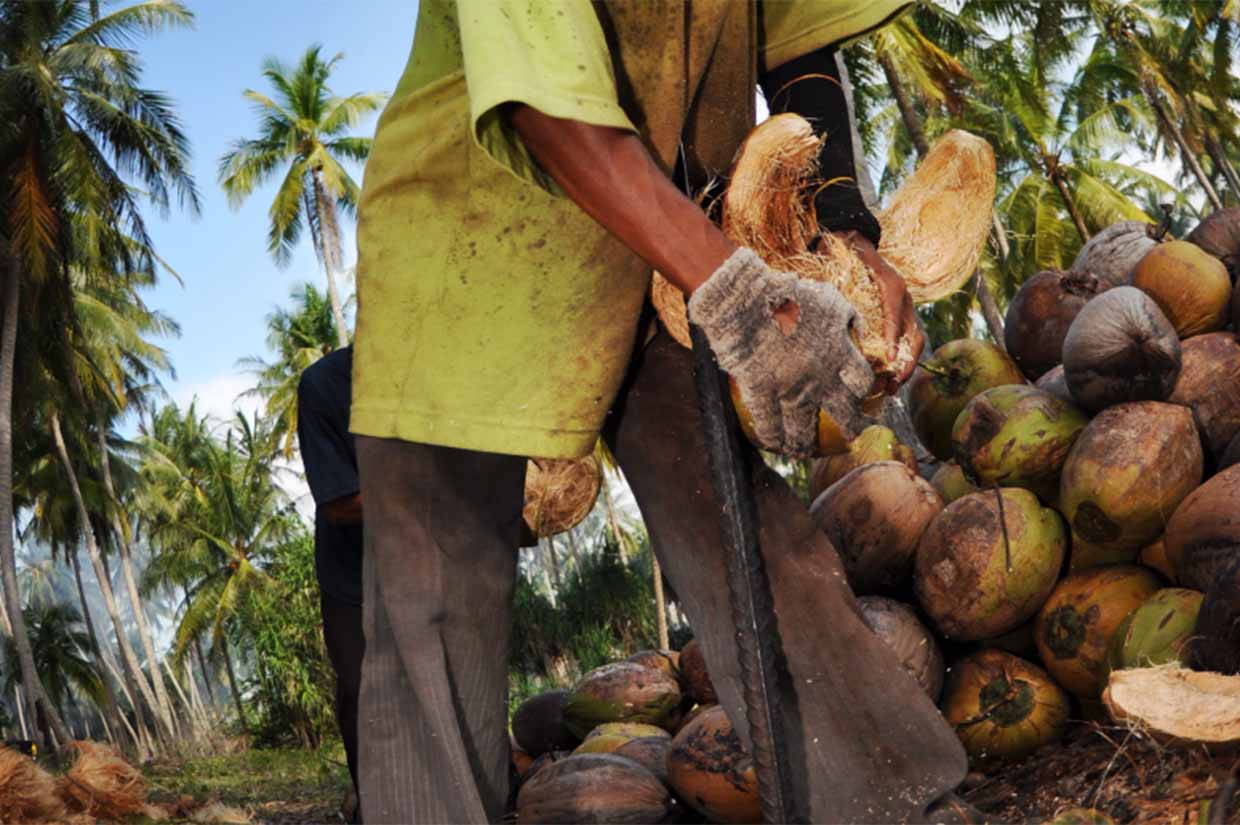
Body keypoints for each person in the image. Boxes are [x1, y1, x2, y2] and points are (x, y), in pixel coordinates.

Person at [349, 2, 976, 822]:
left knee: (747, 535)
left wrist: (846, 229)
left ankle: (898, 801)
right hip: (472, 247)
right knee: (433, 598)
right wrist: (740, 295)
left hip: (667, 243)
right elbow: (544, 102)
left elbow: (796, 48)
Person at [296, 345, 364, 824]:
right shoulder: (324, 384)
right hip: (355, 577)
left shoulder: (438, 371)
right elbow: (340, 503)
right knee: (364, 693)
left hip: (435, 566)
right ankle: (377, 802)